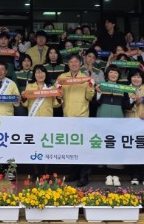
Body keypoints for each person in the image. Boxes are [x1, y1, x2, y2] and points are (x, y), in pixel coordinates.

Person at [59, 53, 95, 187]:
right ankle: (73, 173)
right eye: (71, 62)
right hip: (67, 116)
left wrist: (90, 86)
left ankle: (84, 175)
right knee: (70, 147)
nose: (73, 64)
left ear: (80, 64)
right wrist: (58, 95)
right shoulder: (62, 78)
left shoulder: (85, 78)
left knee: (83, 147)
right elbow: (57, 96)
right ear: (68, 64)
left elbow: (89, 97)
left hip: (82, 117)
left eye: (76, 62)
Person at [125, 68, 144, 186]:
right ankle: (134, 175)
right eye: (134, 76)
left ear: (142, 79)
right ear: (130, 78)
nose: (136, 79)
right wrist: (134, 103)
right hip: (130, 122)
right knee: (132, 149)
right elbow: (124, 105)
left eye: (139, 77)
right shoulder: (125, 90)